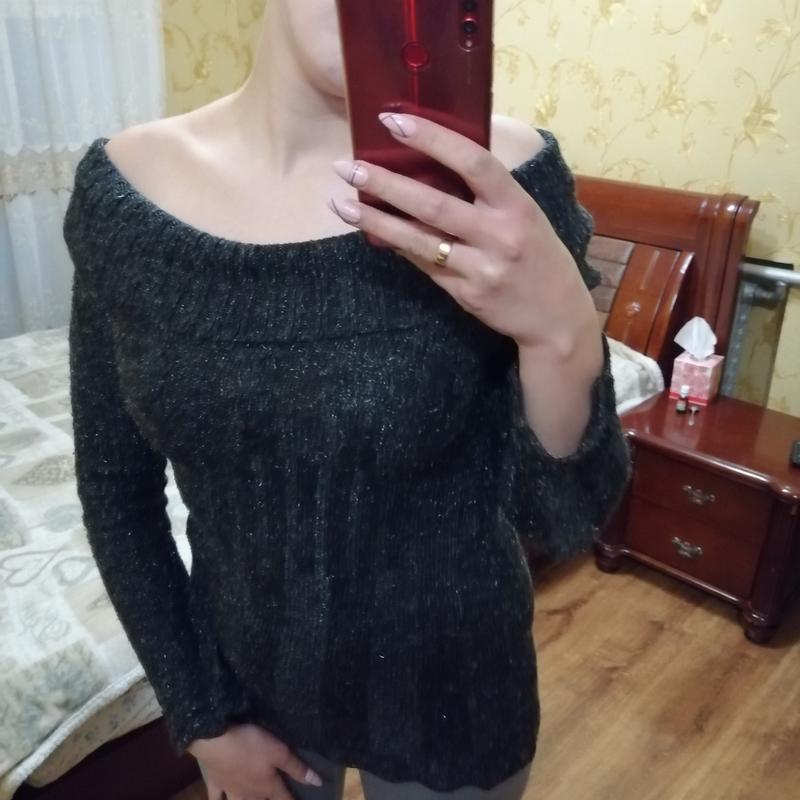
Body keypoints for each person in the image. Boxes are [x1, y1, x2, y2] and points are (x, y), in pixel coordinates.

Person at [64, 1, 632, 799]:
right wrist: (202, 716)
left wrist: (563, 334)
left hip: (458, 696)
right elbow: (115, 490)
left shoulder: (509, 185)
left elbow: (564, 519)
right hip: (247, 688)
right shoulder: (126, 194)